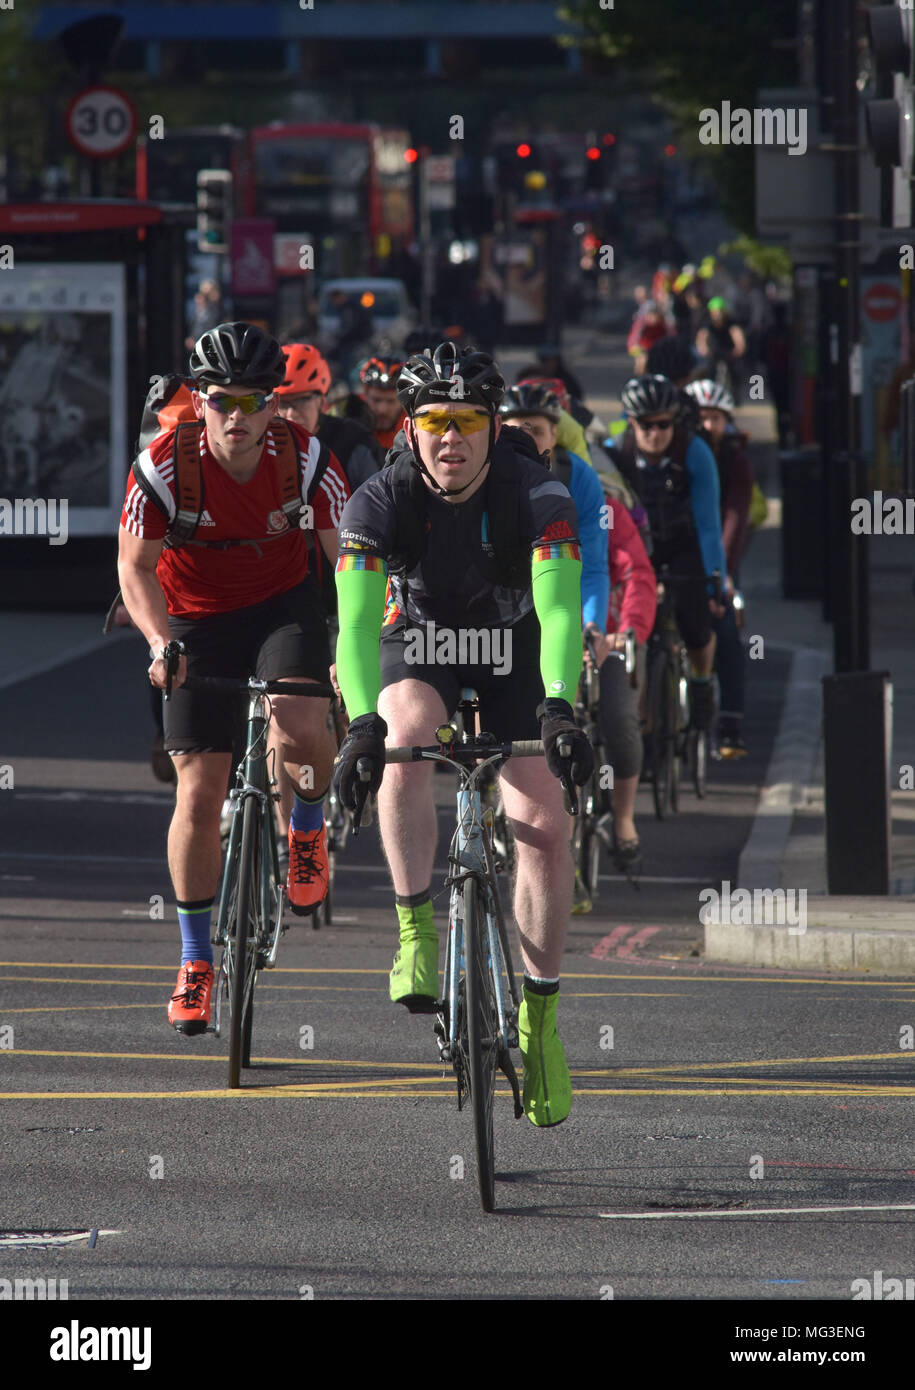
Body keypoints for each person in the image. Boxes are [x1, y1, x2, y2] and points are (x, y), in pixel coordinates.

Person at [330, 342, 593, 1127]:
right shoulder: (376, 501)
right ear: (409, 429)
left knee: (544, 823)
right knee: (406, 738)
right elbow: (348, 625)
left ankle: (540, 1025)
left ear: (492, 425)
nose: (451, 438)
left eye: (468, 422)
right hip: (420, 642)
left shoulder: (540, 495)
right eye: (434, 421)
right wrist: (360, 729)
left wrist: (558, 708)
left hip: (513, 649)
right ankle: (414, 929)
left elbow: (555, 614)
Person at [118, 322, 350, 1035]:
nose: (240, 418)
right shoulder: (162, 465)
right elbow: (133, 568)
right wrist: (160, 642)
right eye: (223, 401)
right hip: (193, 618)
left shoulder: (308, 459)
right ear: (198, 399)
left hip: (283, 607)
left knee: (300, 720)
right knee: (198, 787)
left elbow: (346, 561)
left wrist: (348, 648)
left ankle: (305, 826)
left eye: (257, 401)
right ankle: (195, 964)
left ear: (276, 404)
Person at [604, 375, 727, 731]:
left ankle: (701, 684)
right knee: (634, 622)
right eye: (645, 425)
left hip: (683, 541)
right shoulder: (616, 451)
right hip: (637, 544)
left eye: (663, 425)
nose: (654, 433)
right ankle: (638, 717)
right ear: (631, 422)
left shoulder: (695, 451)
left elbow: (708, 525)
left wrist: (714, 580)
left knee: (695, 619)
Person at [685, 380, 753, 757]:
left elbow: (733, 518)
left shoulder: (735, 460)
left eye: (716, 418)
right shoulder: (681, 450)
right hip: (679, 553)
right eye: (701, 417)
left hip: (719, 556)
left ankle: (729, 724)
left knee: (726, 627)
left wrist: (722, 571)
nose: (708, 425)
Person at [695, 297, 746, 398]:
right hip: (713, 351)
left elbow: (736, 333)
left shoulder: (730, 321)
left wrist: (739, 347)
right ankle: (710, 394)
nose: (717, 315)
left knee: (734, 371)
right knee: (710, 371)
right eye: (714, 312)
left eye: (719, 312)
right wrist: (702, 348)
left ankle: (735, 396)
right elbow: (702, 336)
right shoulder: (707, 322)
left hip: (728, 350)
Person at [358, 356, 406, 453]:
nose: (382, 409)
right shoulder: (345, 411)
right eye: (376, 400)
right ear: (365, 393)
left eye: (391, 401)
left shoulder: (417, 426)